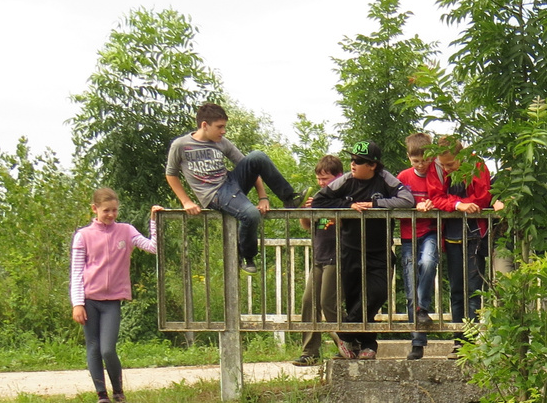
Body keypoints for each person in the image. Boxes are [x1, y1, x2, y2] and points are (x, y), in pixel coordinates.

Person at [164, 103, 300, 273]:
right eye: (219, 127)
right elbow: (171, 174)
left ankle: (289, 199)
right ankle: (246, 255)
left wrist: (263, 197)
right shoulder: (181, 145)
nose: (223, 131)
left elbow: (251, 167)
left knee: (257, 156)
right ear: (205, 125)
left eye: (224, 127)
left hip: (231, 182)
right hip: (214, 193)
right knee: (250, 214)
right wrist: (186, 201)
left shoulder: (222, 142)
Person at [309, 141, 415, 359]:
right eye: (352, 160)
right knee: (355, 299)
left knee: (375, 294)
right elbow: (319, 200)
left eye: (358, 161)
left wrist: (375, 205)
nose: (353, 164)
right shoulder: (346, 180)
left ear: (373, 165)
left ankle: (345, 333)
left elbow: (407, 200)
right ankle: (368, 345)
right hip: (349, 250)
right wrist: (348, 207)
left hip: (379, 251)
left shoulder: (385, 179)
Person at [69, 188, 159, 403]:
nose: (110, 214)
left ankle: (118, 390)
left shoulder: (126, 231)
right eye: (106, 210)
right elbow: (77, 272)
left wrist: (154, 221)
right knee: (93, 347)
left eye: (114, 210)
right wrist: (77, 304)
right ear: (95, 209)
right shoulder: (83, 235)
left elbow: (153, 248)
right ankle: (102, 396)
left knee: (107, 349)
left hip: (112, 302)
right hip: (89, 300)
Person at [419, 141, 494, 359]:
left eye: (451, 164)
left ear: (462, 156)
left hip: (474, 235)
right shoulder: (437, 167)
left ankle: (470, 342)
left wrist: (455, 202)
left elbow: (483, 197)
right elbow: (436, 197)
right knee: (456, 290)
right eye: (444, 166)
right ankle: (459, 341)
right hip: (451, 235)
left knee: (473, 289)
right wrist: (458, 205)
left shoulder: (477, 165)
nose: (448, 169)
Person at [396, 132, 446, 360]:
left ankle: (422, 308)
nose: (421, 165)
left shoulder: (437, 174)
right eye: (416, 161)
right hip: (408, 235)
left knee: (428, 262)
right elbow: (396, 201)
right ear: (409, 159)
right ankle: (417, 342)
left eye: (425, 160)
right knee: (410, 287)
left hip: (430, 231)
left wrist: (431, 203)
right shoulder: (403, 177)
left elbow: (441, 197)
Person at [292, 155, 344, 366]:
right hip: (319, 256)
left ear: (338, 177)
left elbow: (346, 225)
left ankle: (346, 345)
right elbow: (306, 225)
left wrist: (328, 208)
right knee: (309, 301)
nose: (322, 183)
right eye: (319, 179)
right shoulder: (318, 196)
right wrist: (307, 210)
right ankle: (309, 352)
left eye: (326, 178)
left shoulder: (344, 196)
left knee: (328, 302)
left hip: (337, 256)